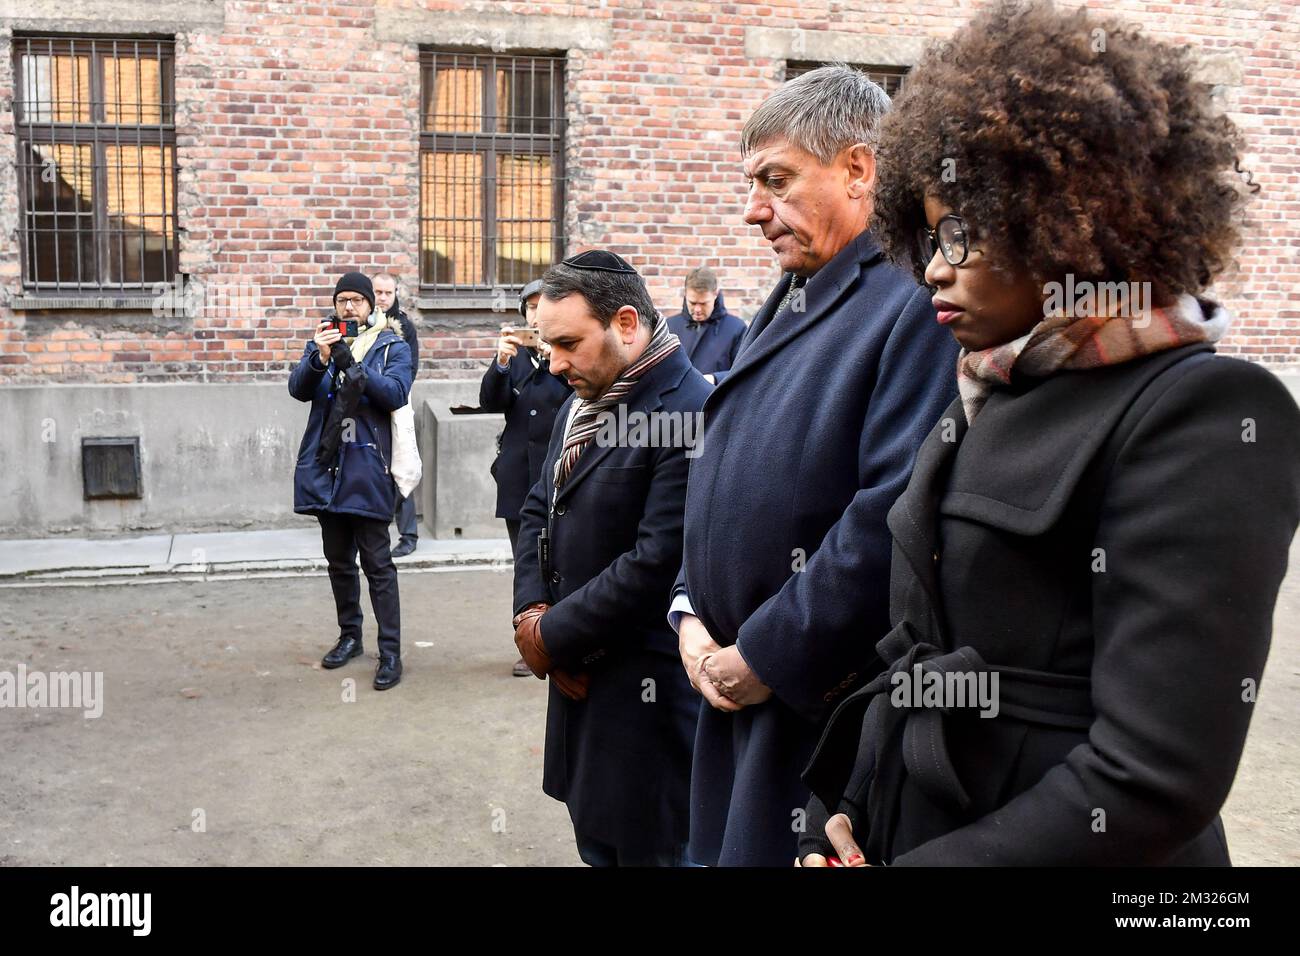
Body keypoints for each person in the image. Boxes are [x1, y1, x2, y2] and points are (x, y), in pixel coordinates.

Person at [797, 0, 1300, 866]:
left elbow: (1153, 776)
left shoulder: (1204, 413)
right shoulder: (993, 386)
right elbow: (916, 652)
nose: (937, 268)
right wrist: (844, 812)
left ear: (1078, 220)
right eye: (928, 236)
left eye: (967, 230)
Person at [670, 65, 960, 866]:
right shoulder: (798, 286)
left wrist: (767, 656)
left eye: (777, 180)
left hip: (810, 717)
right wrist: (689, 606)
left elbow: (892, 509)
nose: (753, 209)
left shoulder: (913, 296)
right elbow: (722, 470)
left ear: (860, 168)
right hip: (732, 690)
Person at [512, 250, 711, 866]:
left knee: (650, 853)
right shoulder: (584, 397)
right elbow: (536, 508)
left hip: (643, 707)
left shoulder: (688, 409)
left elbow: (657, 561)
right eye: (547, 345)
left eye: (568, 343)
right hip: (580, 694)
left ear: (626, 323)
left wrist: (555, 636)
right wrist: (531, 614)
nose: (554, 363)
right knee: (596, 847)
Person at [289, 271, 414, 691]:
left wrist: (349, 362)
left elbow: (395, 393)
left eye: (356, 300)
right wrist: (319, 358)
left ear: (371, 305)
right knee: (339, 562)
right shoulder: (321, 343)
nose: (348, 307)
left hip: (368, 468)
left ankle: (391, 651)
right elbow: (298, 390)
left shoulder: (391, 345)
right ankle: (350, 637)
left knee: (378, 565)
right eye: (342, 300)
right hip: (328, 470)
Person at [481, 278, 573, 677]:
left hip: (561, 473)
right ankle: (530, 638)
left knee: (565, 555)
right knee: (527, 560)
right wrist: (501, 364)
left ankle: (565, 635)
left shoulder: (566, 351)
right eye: (530, 307)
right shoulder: (515, 356)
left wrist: (549, 354)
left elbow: (574, 395)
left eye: (543, 305)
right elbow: (491, 402)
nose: (536, 314)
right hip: (520, 475)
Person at [372, 272, 421, 558]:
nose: (382, 298)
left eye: (387, 293)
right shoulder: (360, 323)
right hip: (365, 404)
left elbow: (411, 368)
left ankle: (408, 534)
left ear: (395, 294)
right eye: (377, 292)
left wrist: (392, 392)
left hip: (396, 403)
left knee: (401, 463)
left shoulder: (404, 325)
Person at [664, 266, 747, 383]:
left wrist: (715, 379)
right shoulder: (669, 326)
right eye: (692, 303)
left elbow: (744, 372)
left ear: (715, 294)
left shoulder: (737, 328)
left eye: (703, 303)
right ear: (685, 293)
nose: (697, 309)